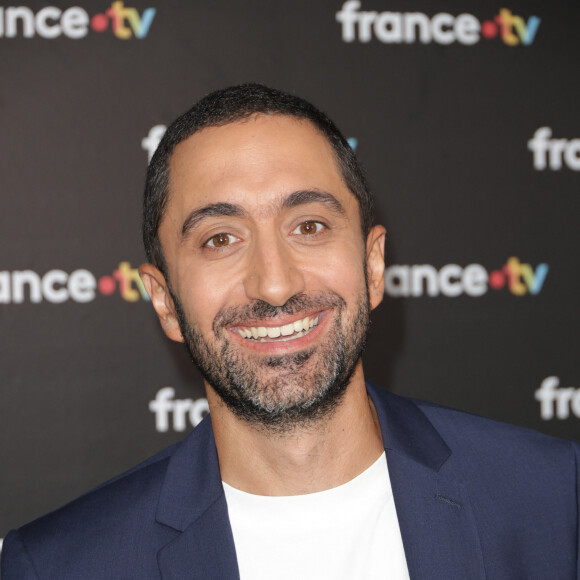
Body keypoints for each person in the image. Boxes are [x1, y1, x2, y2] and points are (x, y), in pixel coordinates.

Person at [2, 84, 579, 579]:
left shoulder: (556, 501)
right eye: (220, 239)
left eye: (309, 225)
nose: (274, 285)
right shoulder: (61, 565)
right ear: (165, 302)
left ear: (373, 266)